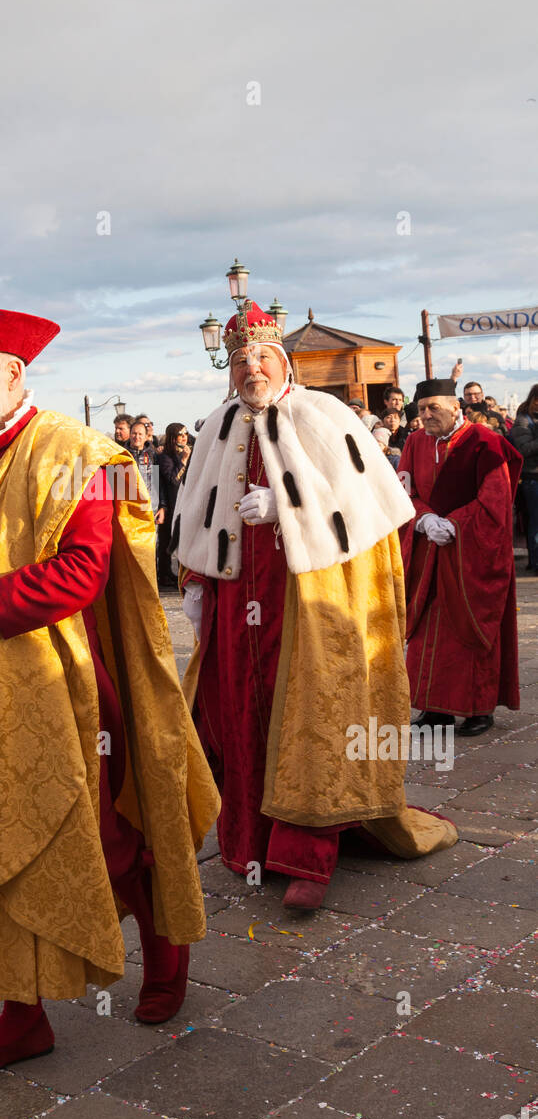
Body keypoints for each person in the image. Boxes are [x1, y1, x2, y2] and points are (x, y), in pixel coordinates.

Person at [0, 305, 218, 1083]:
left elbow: (82, 569)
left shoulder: (78, 451)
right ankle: (21, 1016)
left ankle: (167, 953)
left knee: (101, 834)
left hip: (67, 683)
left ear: (14, 374)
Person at [174, 301, 457, 912]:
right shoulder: (215, 427)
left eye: (261, 356)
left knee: (314, 718)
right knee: (238, 718)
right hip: (235, 600)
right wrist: (196, 582)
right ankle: (251, 844)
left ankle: (307, 856)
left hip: (309, 600)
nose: (251, 368)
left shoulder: (322, 414)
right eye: (239, 359)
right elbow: (195, 509)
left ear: (283, 361)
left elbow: (364, 503)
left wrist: (287, 505)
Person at [398, 379, 522, 737]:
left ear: (456, 407)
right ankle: (434, 710)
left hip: (472, 554)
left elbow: (495, 499)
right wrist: (423, 519)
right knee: (426, 632)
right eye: (421, 409)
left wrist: (454, 525)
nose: (425, 415)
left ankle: (478, 710)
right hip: (428, 552)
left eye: (433, 407)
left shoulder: (486, 442)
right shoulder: (415, 443)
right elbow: (405, 490)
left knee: (470, 631)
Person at [507, 384, 538, 574]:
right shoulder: (523, 421)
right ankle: (536, 562)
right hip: (533, 478)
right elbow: (523, 450)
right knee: (536, 522)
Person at [156, 423, 191, 589]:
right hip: (170, 503)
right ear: (172, 437)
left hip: (186, 502)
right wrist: (184, 460)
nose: (184, 437)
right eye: (180, 434)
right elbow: (173, 480)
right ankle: (164, 574)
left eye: (185, 433)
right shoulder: (165, 456)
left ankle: (182, 574)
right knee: (167, 542)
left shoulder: (190, 451)